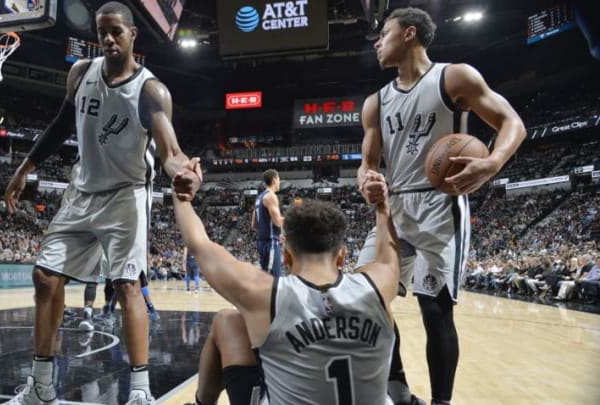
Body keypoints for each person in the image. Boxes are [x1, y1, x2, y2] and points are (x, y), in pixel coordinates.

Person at [1, 2, 200, 404]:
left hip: (127, 195)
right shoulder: (80, 73)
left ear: (132, 35)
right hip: (81, 192)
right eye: (101, 32)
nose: (107, 39)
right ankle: (41, 388)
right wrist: (25, 167)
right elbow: (61, 125)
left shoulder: (150, 90)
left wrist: (184, 171)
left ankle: (141, 392)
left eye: (115, 32)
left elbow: (170, 150)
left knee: (128, 286)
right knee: (44, 277)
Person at [355, 7, 526, 405]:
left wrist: (492, 162)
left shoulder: (454, 77)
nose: (377, 42)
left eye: (384, 33)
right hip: (394, 207)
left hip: (440, 204)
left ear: (409, 34)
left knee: (434, 310)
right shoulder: (375, 102)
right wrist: (367, 181)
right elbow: (367, 163)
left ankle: (441, 402)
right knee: (366, 300)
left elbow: (511, 122)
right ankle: (398, 389)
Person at [174, 166, 400, 405]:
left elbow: (199, 244)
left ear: (287, 257)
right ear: (342, 256)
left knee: (226, 321)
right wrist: (382, 205)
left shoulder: (265, 295)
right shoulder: (378, 284)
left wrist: (182, 196)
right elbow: (389, 256)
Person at [251, 169, 284, 277]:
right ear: (274, 180)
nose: (280, 181)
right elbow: (278, 222)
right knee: (273, 279)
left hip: (262, 243)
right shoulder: (271, 196)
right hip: (271, 243)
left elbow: (254, 225)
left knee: (266, 277)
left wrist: (275, 233)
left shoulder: (259, 198)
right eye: (279, 179)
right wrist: (294, 218)